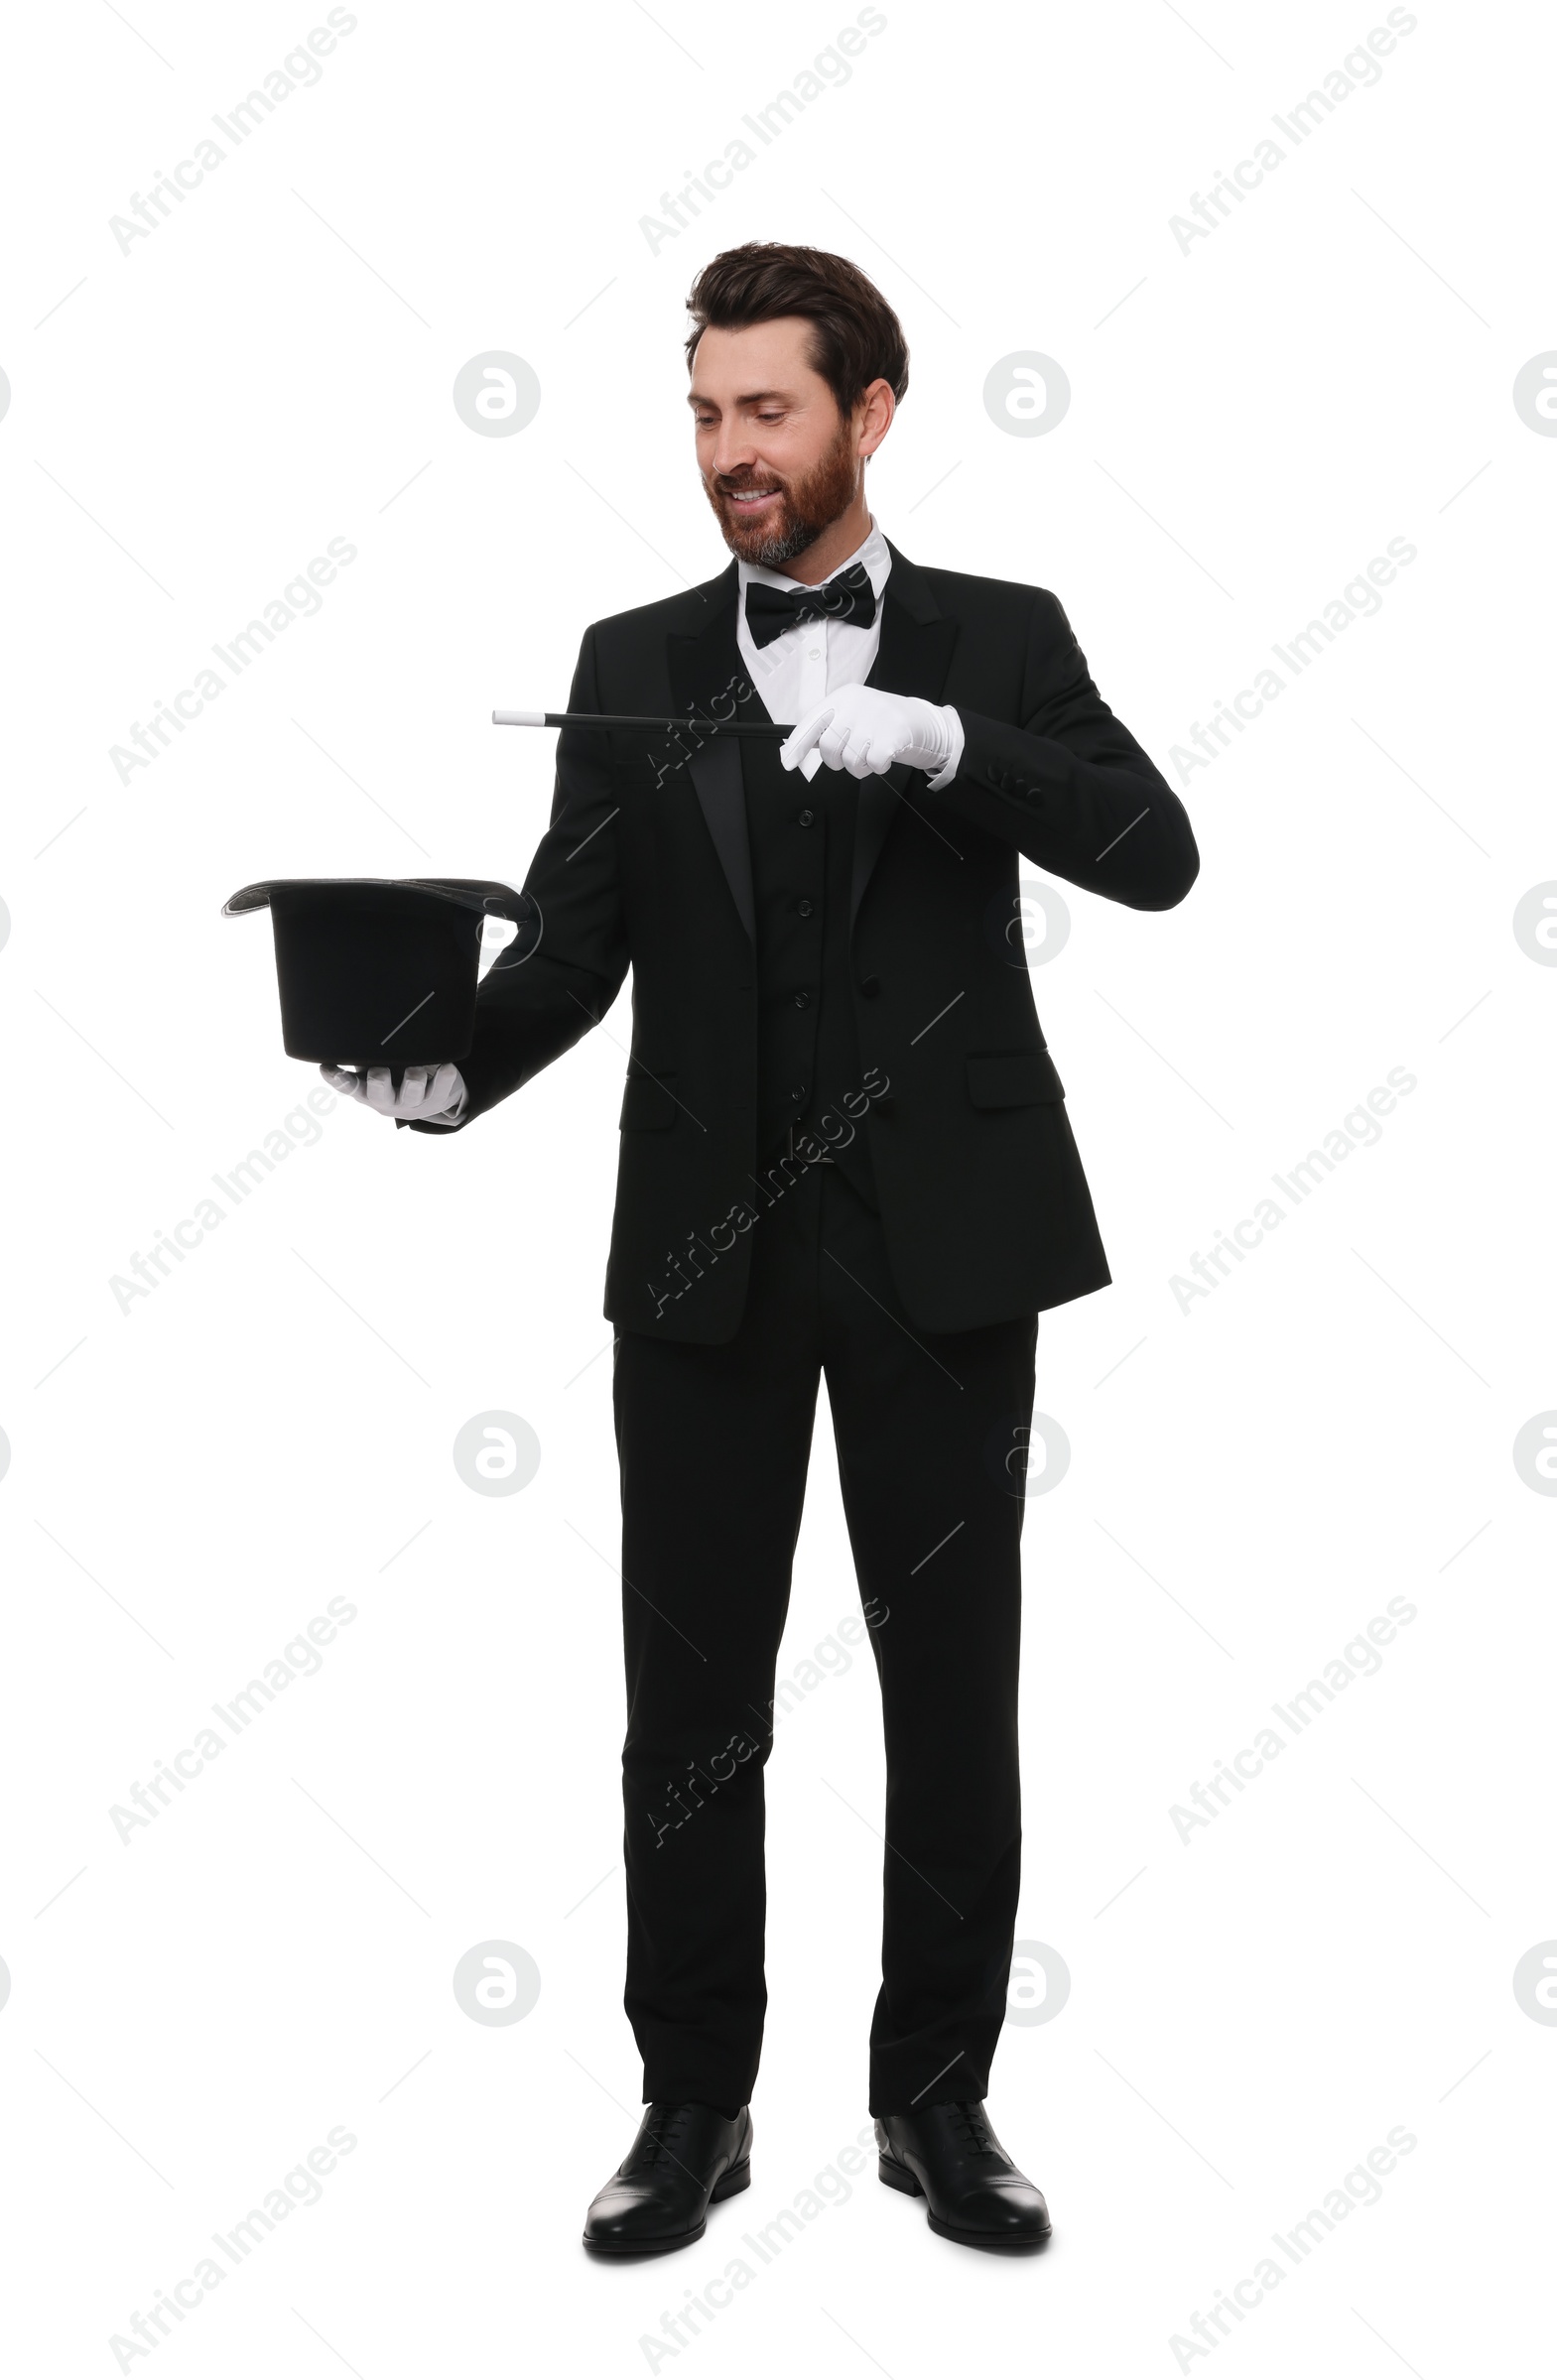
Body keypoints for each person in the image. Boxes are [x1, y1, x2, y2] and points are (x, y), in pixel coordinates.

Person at [325, 242, 1199, 2257]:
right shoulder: (633, 659)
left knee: (945, 1687)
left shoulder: (997, 633)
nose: (728, 452)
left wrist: (941, 744)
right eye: (705, 413)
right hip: (702, 1247)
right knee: (691, 1694)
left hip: (946, 1253)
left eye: (766, 411)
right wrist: (451, 1071)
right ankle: (691, 2104)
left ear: (868, 414)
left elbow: (1151, 854)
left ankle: (936, 2105)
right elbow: (569, 944)